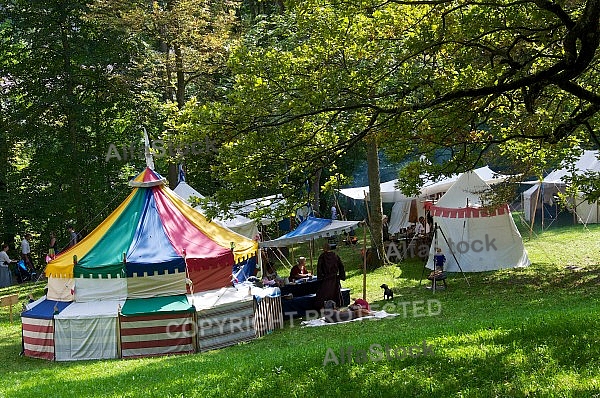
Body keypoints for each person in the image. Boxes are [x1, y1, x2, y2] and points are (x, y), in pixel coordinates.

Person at [315, 241, 346, 309]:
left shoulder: (322, 256)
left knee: (324, 292)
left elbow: (319, 268)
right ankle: (335, 305)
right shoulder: (335, 255)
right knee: (334, 292)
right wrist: (341, 275)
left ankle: (323, 306)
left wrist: (320, 277)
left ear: (324, 248)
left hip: (326, 278)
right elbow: (341, 266)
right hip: (334, 278)